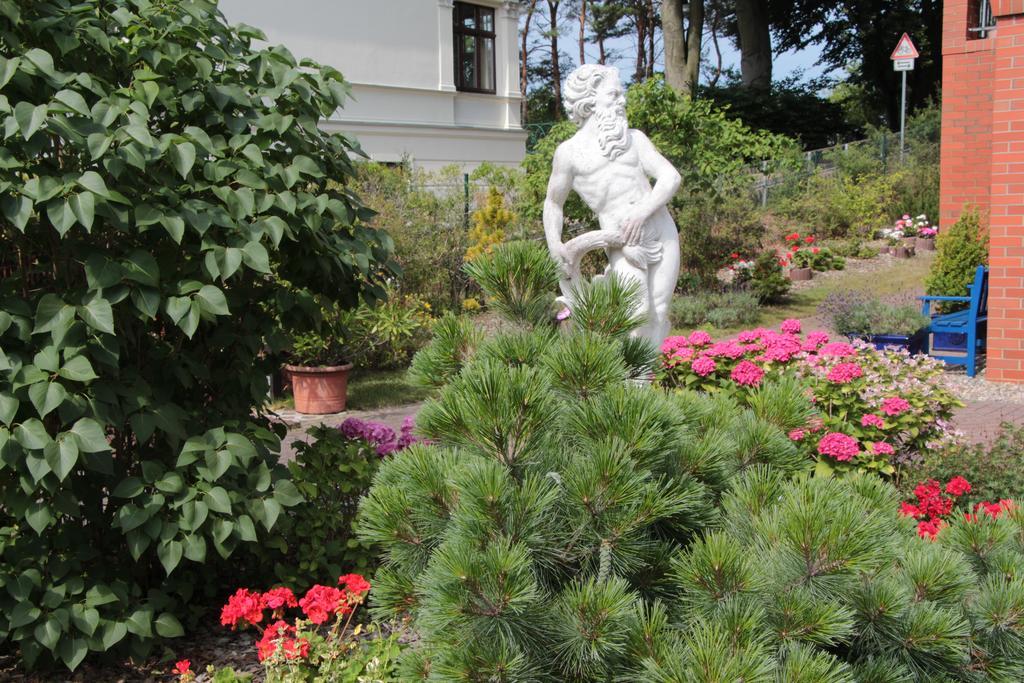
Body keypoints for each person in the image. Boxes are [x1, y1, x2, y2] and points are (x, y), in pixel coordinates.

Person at [543, 63, 681, 345]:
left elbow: (671, 177)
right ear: (590, 100)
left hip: (659, 228)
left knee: (660, 311)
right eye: (614, 94)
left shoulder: (635, 140)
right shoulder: (569, 153)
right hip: (621, 241)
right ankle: (629, 386)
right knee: (637, 312)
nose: (622, 100)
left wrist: (643, 212)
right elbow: (553, 203)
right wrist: (554, 244)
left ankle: (645, 385)